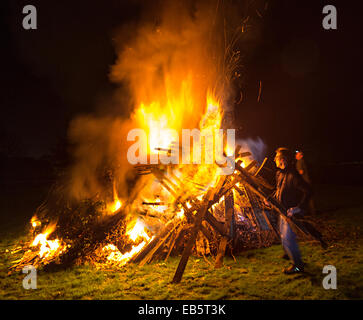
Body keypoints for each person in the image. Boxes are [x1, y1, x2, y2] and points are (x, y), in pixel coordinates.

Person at [270, 147, 312, 274]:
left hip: (290, 213)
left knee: (288, 238)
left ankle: (298, 266)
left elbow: (309, 191)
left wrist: (298, 207)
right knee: (283, 237)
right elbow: (278, 190)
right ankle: (292, 255)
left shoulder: (293, 175)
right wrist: (271, 199)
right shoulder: (280, 173)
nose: (274, 160)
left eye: (276, 157)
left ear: (282, 160)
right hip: (282, 211)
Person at [295, 150, 316, 214]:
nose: (295, 156)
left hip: (304, 182)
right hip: (308, 180)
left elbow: (301, 172)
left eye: (297, 155)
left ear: (301, 156)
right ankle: (312, 211)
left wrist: (295, 176)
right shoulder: (304, 161)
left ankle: (306, 211)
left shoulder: (299, 162)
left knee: (304, 196)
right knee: (309, 196)